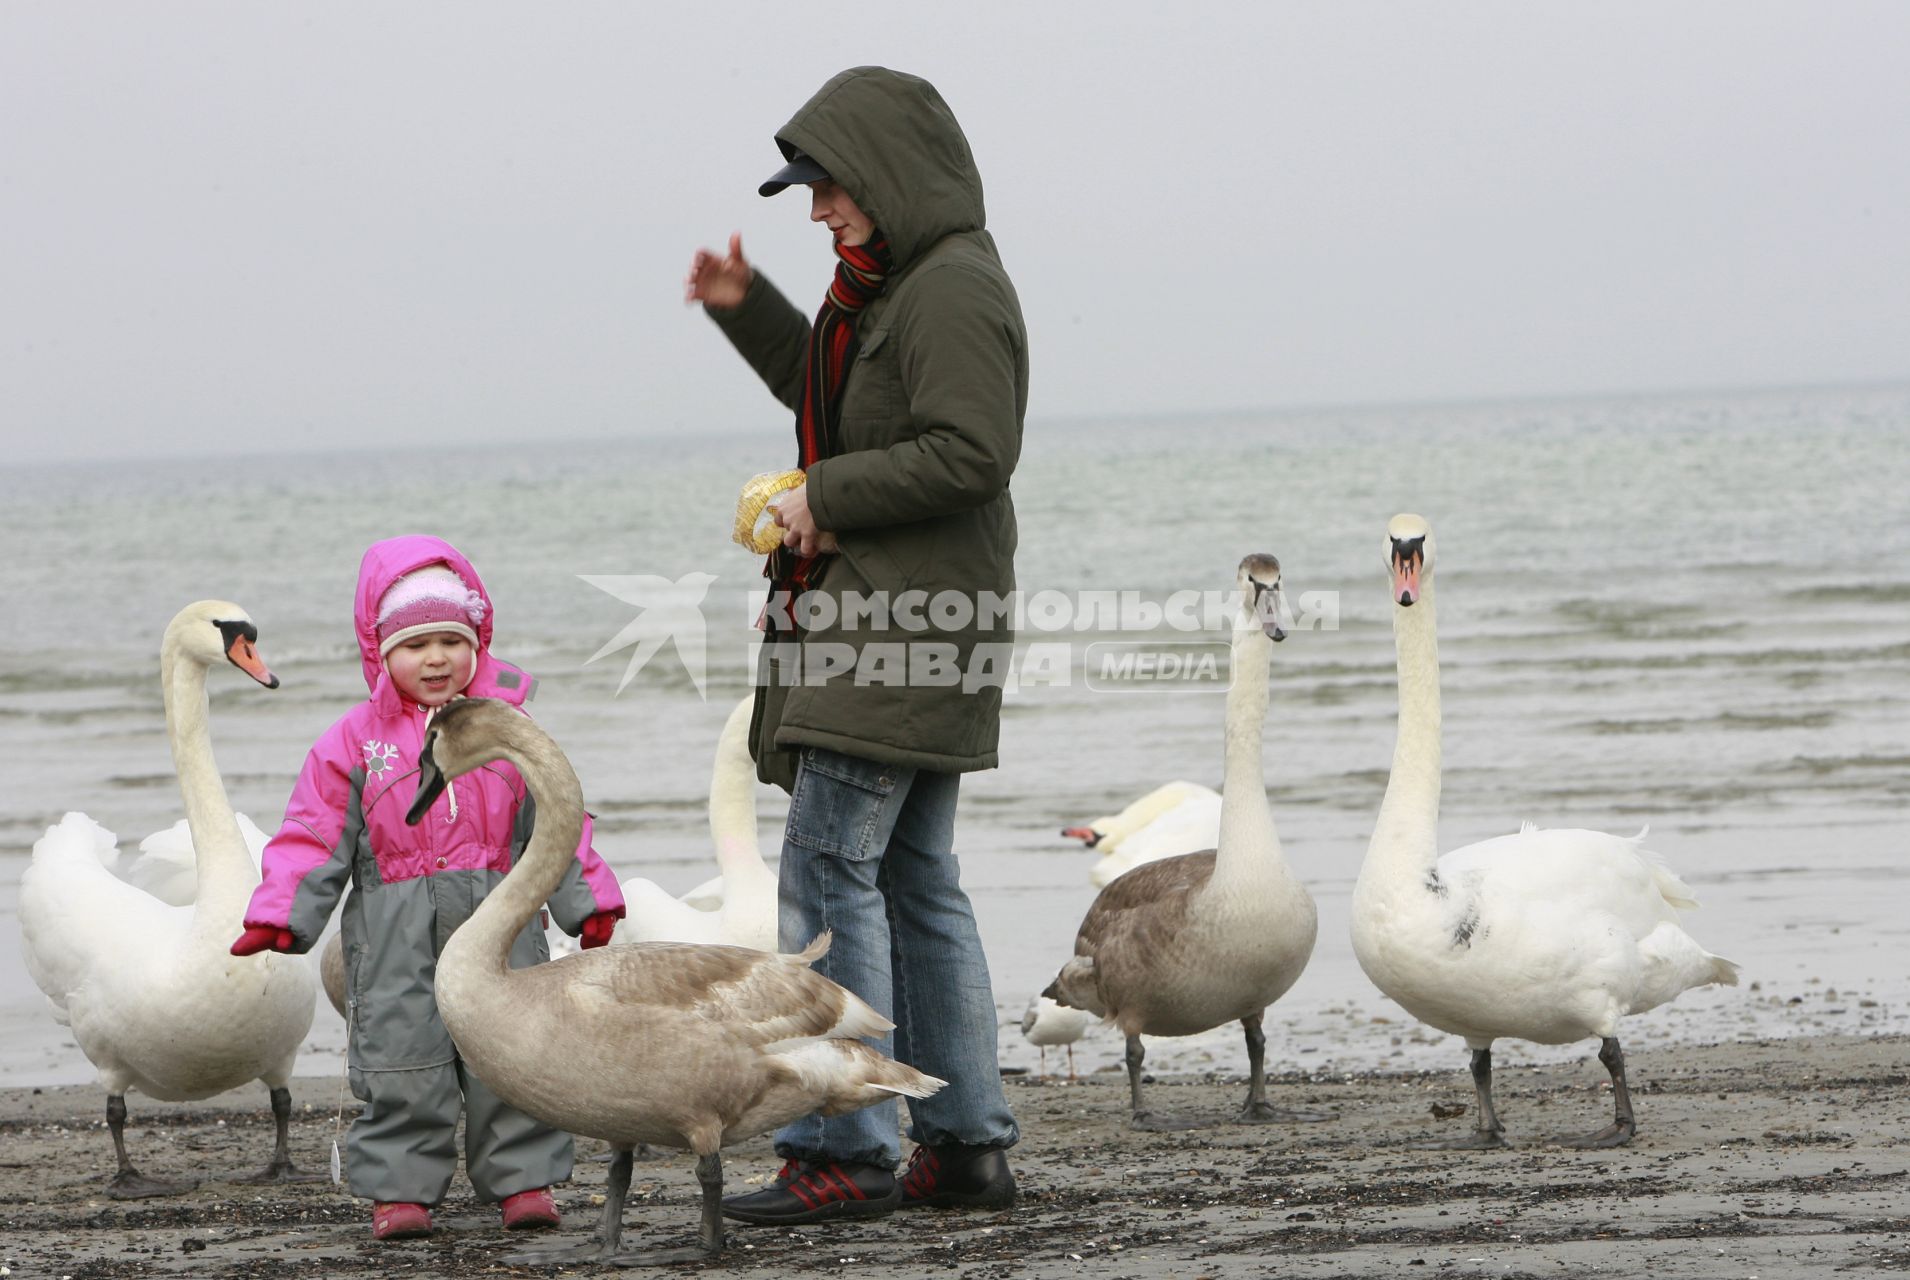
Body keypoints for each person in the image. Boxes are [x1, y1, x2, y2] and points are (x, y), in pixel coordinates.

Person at [685, 65, 1024, 1226]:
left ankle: (844, 1146)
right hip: (899, 615)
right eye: (806, 194)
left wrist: (823, 497)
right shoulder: (880, 289)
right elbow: (836, 403)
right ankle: (963, 1143)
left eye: (829, 189)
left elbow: (970, 452)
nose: (819, 209)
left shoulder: (948, 288)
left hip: (897, 620)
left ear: (885, 177)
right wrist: (747, 304)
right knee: (915, 880)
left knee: (828, 873)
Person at [229, 535, 626, 1241]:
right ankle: (402, 1189)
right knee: (401, 1058)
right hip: (391, 929)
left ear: (479, 642)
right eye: (416, 644)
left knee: (515, 1051)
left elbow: (558, 820)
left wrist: (587, 899)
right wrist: (282, 913)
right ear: (380, 650)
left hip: (500, 920)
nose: (436, 658)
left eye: (452, 639)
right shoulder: (351, 744)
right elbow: (313, 834)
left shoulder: (511, 732)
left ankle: (524, 1181)